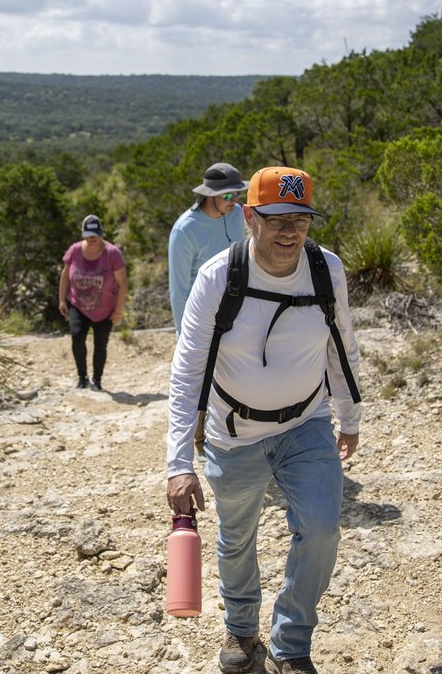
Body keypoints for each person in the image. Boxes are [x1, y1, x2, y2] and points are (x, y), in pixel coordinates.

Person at [166, 166, 361, 674]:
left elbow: (343, 346)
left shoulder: (326, 270)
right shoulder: (218, 276)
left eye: (300, 218)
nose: (290, 230)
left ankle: (292, 644)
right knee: (237, 538)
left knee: (321, 529)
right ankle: (242, 628)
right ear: (250, 216)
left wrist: (350, 416)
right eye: (277, 218)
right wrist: (178, 463)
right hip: (234, 433)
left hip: (307, 423)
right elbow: (187, 374)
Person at [168, 162, 249, 334]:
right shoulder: (184, 230)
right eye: (227, 196)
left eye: (238, 194)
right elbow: (179, 290)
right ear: (210, 196)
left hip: (235, 311)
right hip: (200, 315)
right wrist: (183, 332)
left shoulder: (236, 213)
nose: (234, 200)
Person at [58, 214, 127, 391]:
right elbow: (65, 275)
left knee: (100, 343)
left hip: (105, 308)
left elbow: (122, 284)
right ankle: (82, 377)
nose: (92, 238)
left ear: (101, 233)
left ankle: (97, 380)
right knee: (77, 336)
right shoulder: (74, 251)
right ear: (83, 234)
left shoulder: (112, 254)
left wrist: (118, 311)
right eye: (88, 234)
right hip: (78, 304)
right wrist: (61, 299)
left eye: (95, 234)